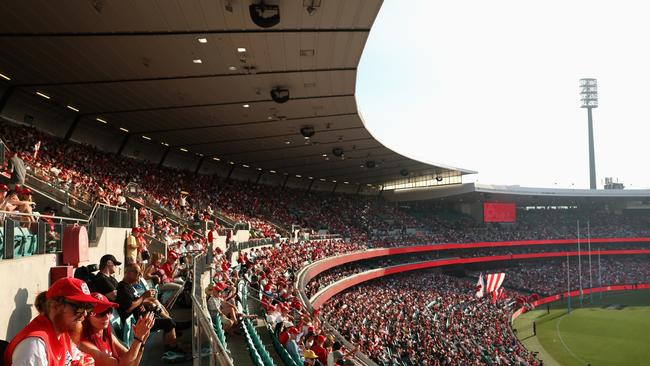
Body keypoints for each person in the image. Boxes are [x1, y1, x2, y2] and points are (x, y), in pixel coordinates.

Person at [4, 277, 114, 366]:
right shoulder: (34, 346)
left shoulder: (62, 332)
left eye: (88, 308)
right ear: (55, 306)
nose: (85, 314)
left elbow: (80, 358)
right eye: (80, 307)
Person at [115, 263, 184, 353]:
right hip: (138, 323)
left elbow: (136, 302)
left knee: (163, 316)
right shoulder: (123, 287)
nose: (140, 275)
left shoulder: (129, 287)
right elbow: (128, 307)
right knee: (169, 323)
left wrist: (146, 301)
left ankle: (170, 342)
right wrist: (143, 297)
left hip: (142, 318)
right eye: (137, 272)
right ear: (128, 273)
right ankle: (172, 348)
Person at [78, 293, 155, 366]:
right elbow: (122, 364)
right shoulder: (84, 345)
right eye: (100, 313)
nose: (107, 317)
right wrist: (138, 338)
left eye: (109, 311)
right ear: (86, 317)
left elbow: (132, 362)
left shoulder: (106, 334)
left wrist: (142, 341)